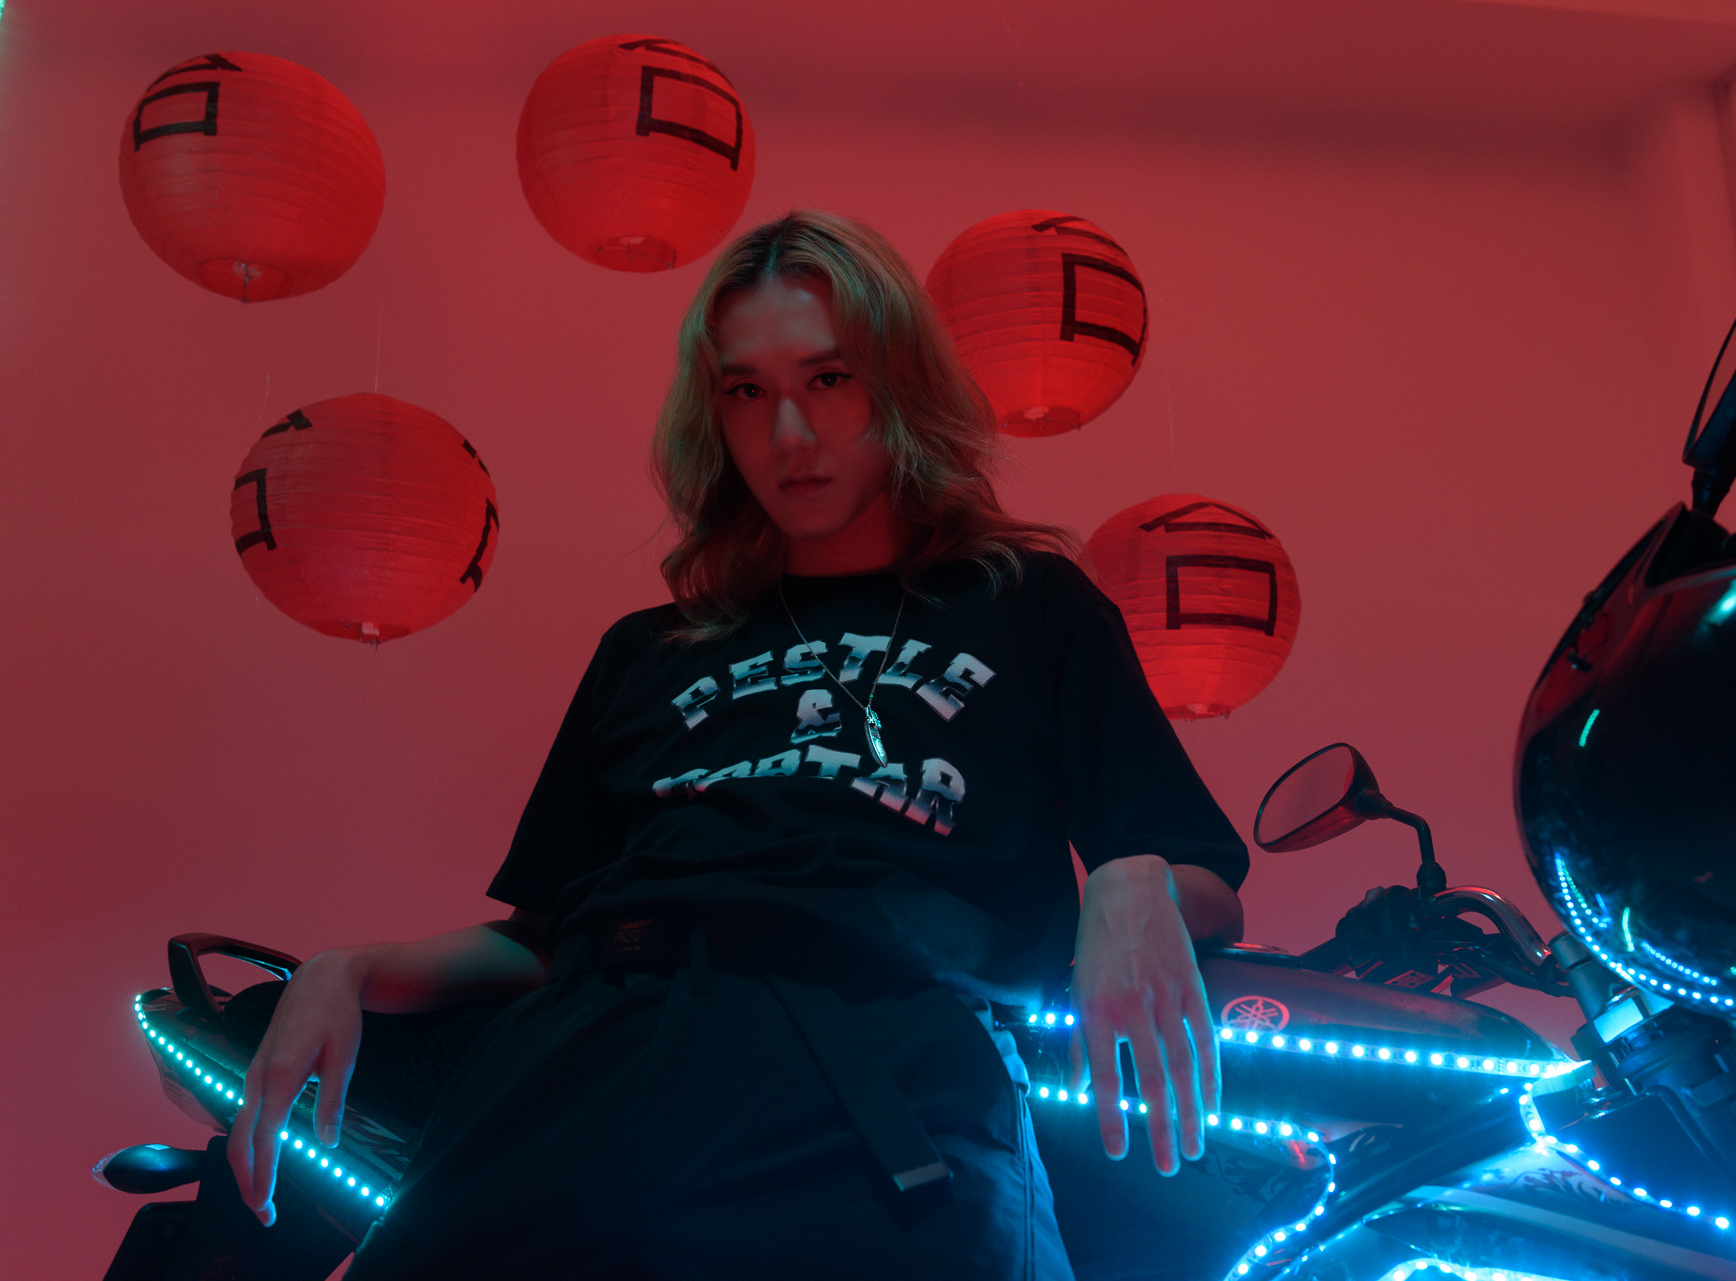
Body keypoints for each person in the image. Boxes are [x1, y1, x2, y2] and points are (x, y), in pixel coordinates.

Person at [227, 210, 1249, 1279]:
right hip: (582, 1063)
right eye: (747, 391)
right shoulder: (649, 649)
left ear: (899, 383)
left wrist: (1133, 874)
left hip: (883, 1067)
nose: (788, 435)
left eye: (828, 379)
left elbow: (1207, 884)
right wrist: (352, 967)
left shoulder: (1028, 605)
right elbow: (542, 938)